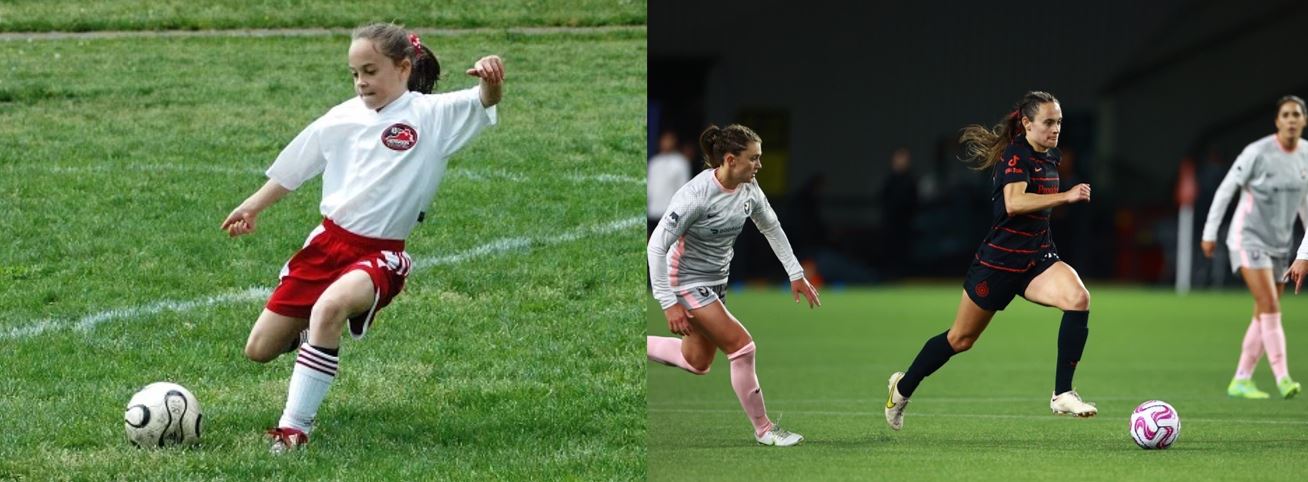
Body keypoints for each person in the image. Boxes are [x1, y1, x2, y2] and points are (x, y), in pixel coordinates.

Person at [220, 22, 504, 453]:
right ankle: (310, 340)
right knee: (259, 349)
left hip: (380, 254)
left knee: (330, 307)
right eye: (354, 73)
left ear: (403, 67)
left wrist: (491, 79)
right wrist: (253, 206)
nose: (361, 82)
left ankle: (293, 429)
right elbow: (296, 167)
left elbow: (484, 101)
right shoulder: (342, 117)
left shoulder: (431, 116)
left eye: (370, 71)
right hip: (327, 245)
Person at [884, 91, 1098, 432]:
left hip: (1037, 259)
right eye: (1048, 122)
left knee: (1079, 298)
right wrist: (1066, 196)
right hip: (998, 264)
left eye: (1059, 121)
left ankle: (1063, 393)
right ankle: (902, 388)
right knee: (960, 339)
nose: (1056, 128)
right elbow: (1013, 204)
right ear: (1027, 123)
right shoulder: (1015, 156)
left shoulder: (1050, 156)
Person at [646, 124, 821, 447]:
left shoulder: (749, 188)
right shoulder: (695, 196)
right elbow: (656, 247)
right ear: (730, 160)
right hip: (685, 281)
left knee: (697, 361)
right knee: (742, 347)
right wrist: (668, 302)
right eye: (753, 158)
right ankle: (765, 429)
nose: (759, 165)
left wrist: (795, 273)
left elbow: (771, 226)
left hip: (715, 283)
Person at [1202, 95, 1307, 400]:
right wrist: (1210, 232)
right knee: (1271, 306)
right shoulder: (1257, 153)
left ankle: (1241, 379)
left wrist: (1303, 255)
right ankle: (1283, 378)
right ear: (1277, 121)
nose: (1290, 119)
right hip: (1246, 238)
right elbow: (1225, 191)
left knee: (1263, 313)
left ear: (1304, 120)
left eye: (1296, 114)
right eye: (1285, 114)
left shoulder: (1306, 157)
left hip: (1280, 245)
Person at [648, 130, 692, 236]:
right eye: (664, 140)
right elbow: (650, 187)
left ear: (674, 142)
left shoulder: (681, 162)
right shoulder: (654, 162)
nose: (666, 143)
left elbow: (684, 189)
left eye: (669, 140)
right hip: (652, 211)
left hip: (670, 214)